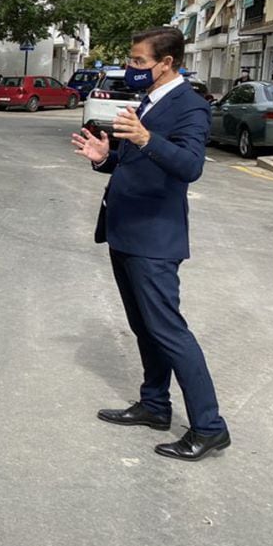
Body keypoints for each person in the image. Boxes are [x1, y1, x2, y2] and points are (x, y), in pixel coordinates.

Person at [71, 27, 229, 462]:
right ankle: (155, 404)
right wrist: (105, 157)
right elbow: (137, 163)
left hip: (154, 238)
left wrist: (144, 138)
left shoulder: (191, 107)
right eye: (131, 60)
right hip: (125, 231)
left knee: (170, 332)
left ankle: (210, 427)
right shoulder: (149, 100)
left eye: (140, 62)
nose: (131, 68)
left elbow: (190, 166)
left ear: (167, 63)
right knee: (145, 327)